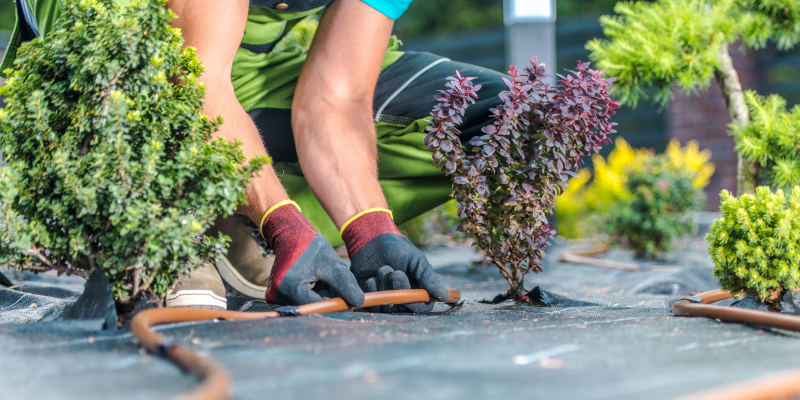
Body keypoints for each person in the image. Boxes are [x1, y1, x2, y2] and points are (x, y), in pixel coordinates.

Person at [2, 0, 506, 311]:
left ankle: (237, 226)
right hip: (126, 40)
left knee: (507, 115)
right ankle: (175, 223)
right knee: (134, 50)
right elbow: (195, 74)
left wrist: (370, 230)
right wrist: (281, 221)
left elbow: (337, 96)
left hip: (248, 64)